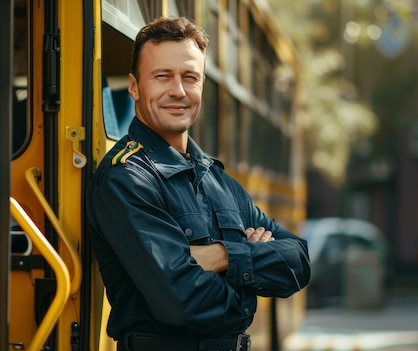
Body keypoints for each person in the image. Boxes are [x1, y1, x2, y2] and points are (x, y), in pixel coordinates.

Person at [86, 16, 310, 351]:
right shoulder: (126, 178)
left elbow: (298, 260)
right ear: (134, 86)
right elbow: (184, 301)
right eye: (162, 77)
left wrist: (221, 257)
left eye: (190, 78)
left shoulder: (218, 180)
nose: (178, 91)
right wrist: (252, 276)